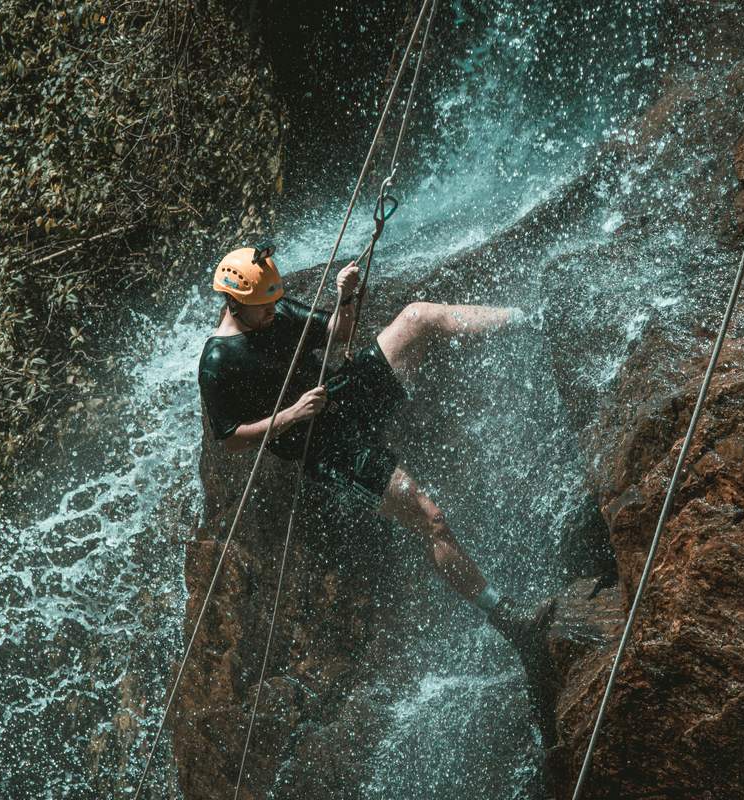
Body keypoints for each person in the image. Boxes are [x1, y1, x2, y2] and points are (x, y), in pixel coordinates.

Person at [197, 245, 554, 680]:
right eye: (263, 307)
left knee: (418, 317)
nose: (273, 312)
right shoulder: (218, 362)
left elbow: (338, 334)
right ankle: (508, 618)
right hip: (324, 447)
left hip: (340, 393)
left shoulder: (275, 310)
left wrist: (344, 296)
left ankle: (533, 318)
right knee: (431, 518)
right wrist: (289, 416)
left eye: (273, 303)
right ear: (235, 303)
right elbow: (229, 438)